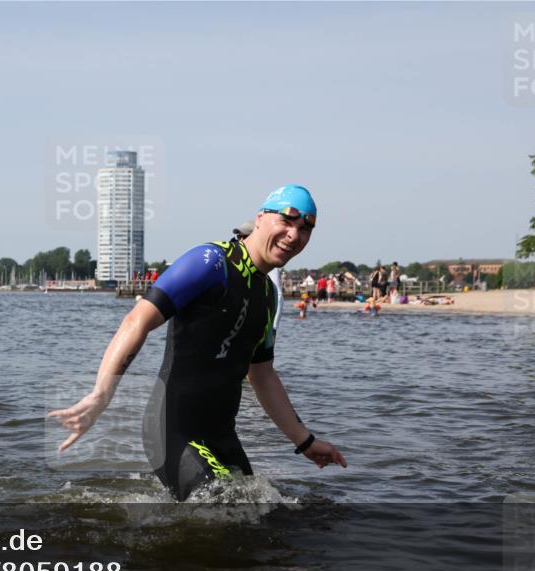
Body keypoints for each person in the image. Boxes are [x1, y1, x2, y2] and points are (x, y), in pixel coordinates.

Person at [49, 184, 346, 501]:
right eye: (286, 221)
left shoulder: (268, 295)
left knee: (262, 516)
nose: (294, 235)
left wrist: (304, 441)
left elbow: (262, 375)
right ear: (260, 218)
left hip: (222, 435)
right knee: (224, 510)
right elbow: (137, 321)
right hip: (175, 430)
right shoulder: (210, 262)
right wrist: (101, 394)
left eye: (305, 229)